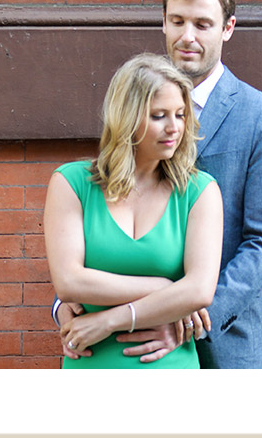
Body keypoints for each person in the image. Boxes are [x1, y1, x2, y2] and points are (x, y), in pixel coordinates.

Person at [56, 0, 262, 368]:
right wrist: (68, 299)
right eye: (178, 21)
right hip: (121, 346)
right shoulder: (133, 103)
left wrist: (187, 318)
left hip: (222, 341)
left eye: (202, 24)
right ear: (163, 23)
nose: (187, 36)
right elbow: (108, 214)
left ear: (228, 28)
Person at [43, 52, 223, 368]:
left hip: (171, 368)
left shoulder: (199, 191)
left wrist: (110, 320)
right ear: (125, 118)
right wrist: (164, 288)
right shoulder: (71, 183)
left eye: (181, 115)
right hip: (92, 366)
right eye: (159, 116)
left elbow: (199, 291)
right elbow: (69, 282)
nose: (174, 128)